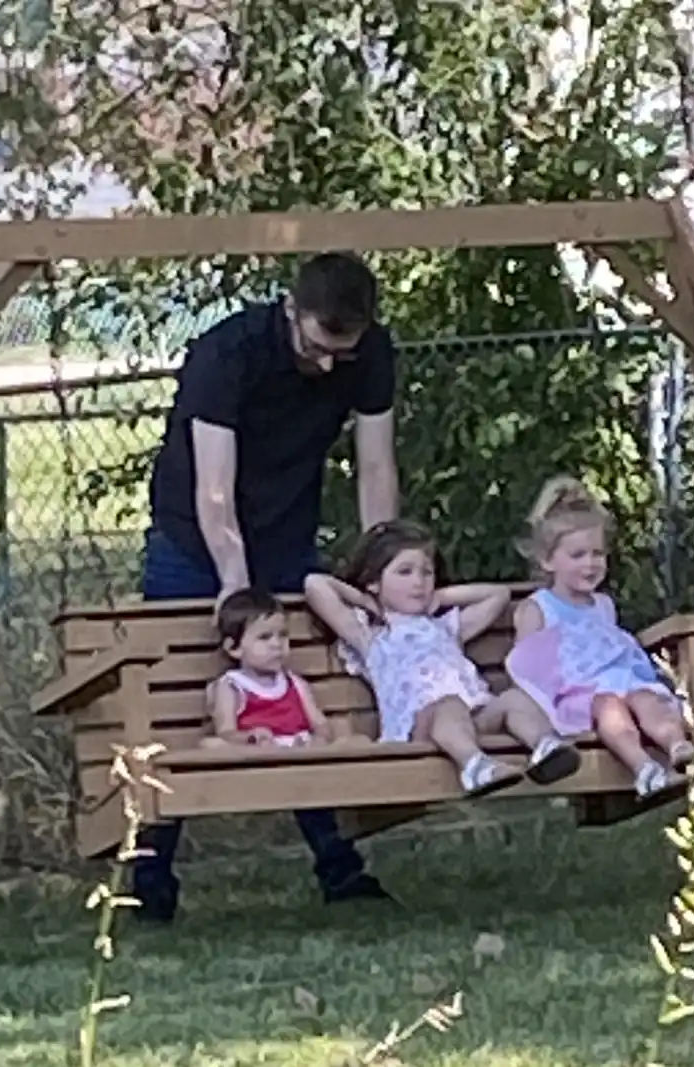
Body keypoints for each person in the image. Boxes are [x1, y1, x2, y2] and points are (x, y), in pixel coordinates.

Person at [134, 252, 399, 923]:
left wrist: (383, 566)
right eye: (319, 346)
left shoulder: (367, 353)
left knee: (291, 687)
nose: (332, 365)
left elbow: (375, 468)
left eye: (347, 349)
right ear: (291, 310)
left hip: (286, 535)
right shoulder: (227, 355)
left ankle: (338, 865)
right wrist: (236, 592)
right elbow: (213, 493)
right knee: (178, 700)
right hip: (192, 540)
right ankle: (150, 876)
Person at [304, 520, 583, 794]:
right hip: (418, 730)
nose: (419, 582)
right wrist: (366, 600)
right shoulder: (372, 637)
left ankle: (546, 748)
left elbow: (497, 595)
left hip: (474, 718)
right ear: (374, 581)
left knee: (514, 699)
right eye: (405, 572)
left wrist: (442, 596)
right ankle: (474, 766)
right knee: (449, 706)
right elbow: (315, 585)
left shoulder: (445, 627)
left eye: (427, 573)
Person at [505, 476, 694, 800]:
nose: (591, 563)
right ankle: (645, 769)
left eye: (598, 554)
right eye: (578, 555)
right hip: (583, 696)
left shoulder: (604, 605)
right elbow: (527, 667)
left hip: (623, 681)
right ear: (547, 560)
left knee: (647, 699)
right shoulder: (538, 608)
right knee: (611, 709)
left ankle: (676, 745)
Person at [204, 588, 333, 749]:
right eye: (264, 637)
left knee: (357, 741)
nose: (277, 644)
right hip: (257, 755)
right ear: (234, 648)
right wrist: (250, 737)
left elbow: (320, 724)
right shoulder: (232, 686)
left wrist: (319, 739)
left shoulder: (295, 683)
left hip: (298, 749)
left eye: (283, 635)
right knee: (212, 745)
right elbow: (226, 732)